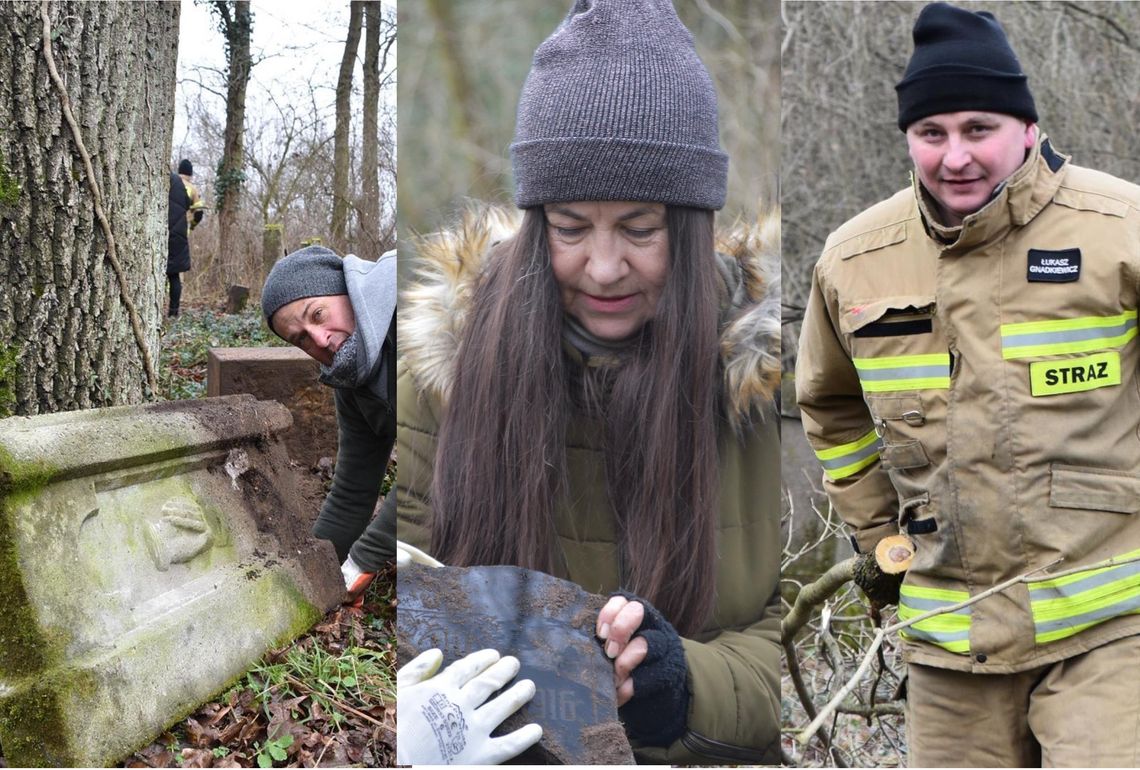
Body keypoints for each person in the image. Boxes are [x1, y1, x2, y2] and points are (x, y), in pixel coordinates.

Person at [396, 0, 782, 764]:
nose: (604, 269)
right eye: (571, 228)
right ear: (539, 224)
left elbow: (803, 633)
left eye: (640, 230)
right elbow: (401, 593)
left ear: (692, 222)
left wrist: (686, 684)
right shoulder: (440, 375)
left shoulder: (769, 383)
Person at [795, 3, 1140, 766]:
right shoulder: (855, 260)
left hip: (1115, 633)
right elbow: (829, 408)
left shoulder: (1118, 229)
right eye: (932, 133)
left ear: (1025, 127)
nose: (955, 157)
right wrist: (879, 539)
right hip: (952, 646)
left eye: (978, 128)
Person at [261, 245, 397, 602]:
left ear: (347, 288)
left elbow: (447, 464)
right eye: (301, 338)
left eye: (318, 314)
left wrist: (361, 561)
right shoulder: (351, 377)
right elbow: (353, 491)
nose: (320, 339)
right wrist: (307, 575)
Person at [166, 159, 205, 318]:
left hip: (159, 228)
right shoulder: (191, 188)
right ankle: (173, 313)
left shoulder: (168, 180)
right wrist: (192, 225)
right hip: (179, 234)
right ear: (190, 173)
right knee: (174, 275)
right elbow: (199, 212)